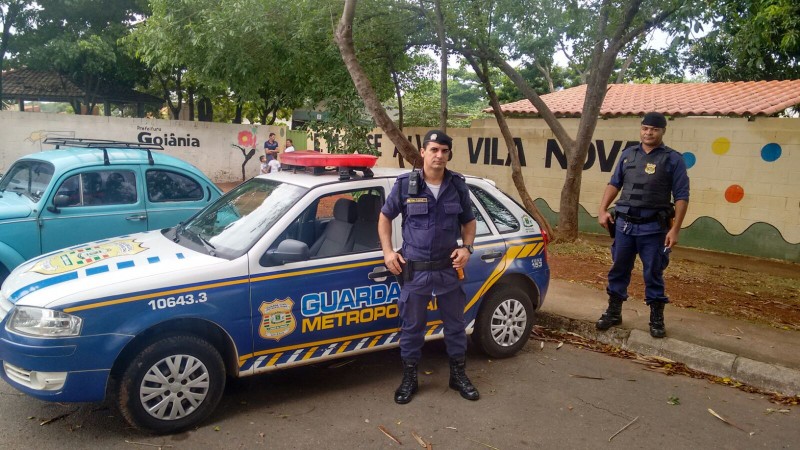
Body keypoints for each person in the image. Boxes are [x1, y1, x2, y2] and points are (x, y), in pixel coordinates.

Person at [378, 129, 479, 404]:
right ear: (423, 152)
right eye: (434, 150)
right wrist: (388, 252)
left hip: (448, 269)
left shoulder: (457, 185)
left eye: (444, 151)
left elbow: (469, 222)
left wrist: (466, 248)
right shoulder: (406, 184)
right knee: (412, 327)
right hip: (416, 269)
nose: (439, 155)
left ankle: (458, 376)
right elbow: (385, 218)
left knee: (456, 326)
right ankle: (410, 378)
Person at [596, 112, 690, 338]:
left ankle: (656, 318)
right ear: (641, 129)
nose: (649, 133)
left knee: (653, 272)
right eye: (645, 128)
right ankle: (614, 311)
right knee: (619, 268)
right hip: (624, 226)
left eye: (654, 129)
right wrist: (602, 209)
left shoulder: (673, 159)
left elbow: (681, 196)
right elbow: (614, 183)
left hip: (653, 229)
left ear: (663, 131)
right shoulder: (628, 155)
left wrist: (675, 228)